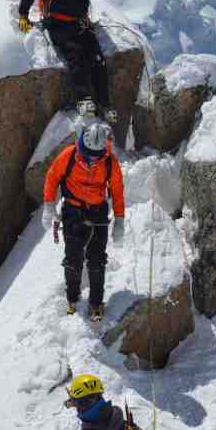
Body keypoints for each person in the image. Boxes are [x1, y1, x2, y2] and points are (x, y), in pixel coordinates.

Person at [17, 0, 115, 122]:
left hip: (79, 22)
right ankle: (84, 100)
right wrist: (23, 14)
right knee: (75, 56)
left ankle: (105, 103)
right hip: (57, 23)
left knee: (97, 58)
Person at [41, 121, 125, 321]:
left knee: (97, 261)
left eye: (95, 156)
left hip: (97, 213)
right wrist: (48, 206)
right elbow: (52, 177)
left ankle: (96, 304)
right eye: (87, 154)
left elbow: (117, 191)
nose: (91, 159)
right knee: (73, 260)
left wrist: (120, 220)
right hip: (73, 211)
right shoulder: (69, 155)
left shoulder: (109, 162)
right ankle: (73, 299)